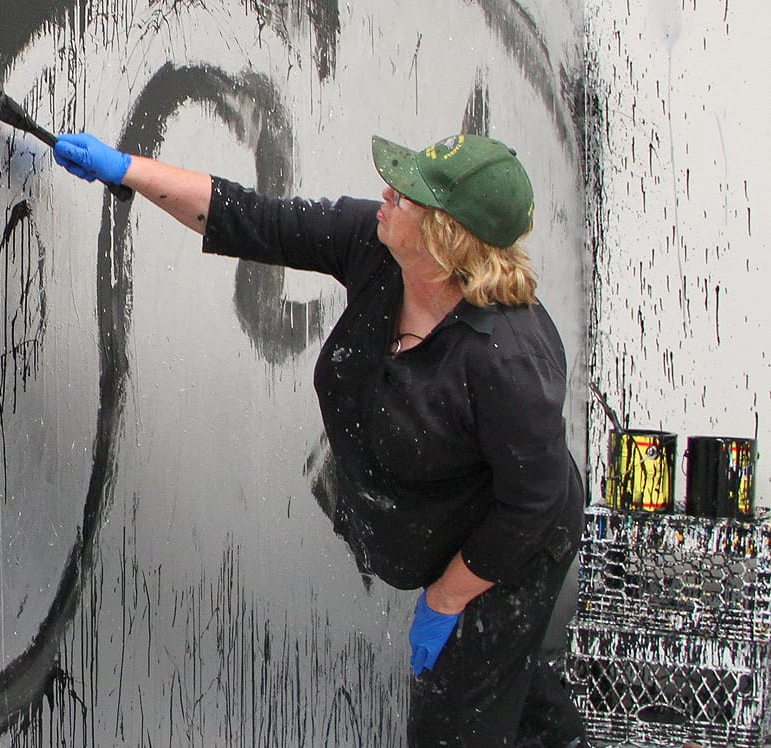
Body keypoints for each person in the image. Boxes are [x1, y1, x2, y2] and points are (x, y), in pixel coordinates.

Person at [52, 131, 587, 747]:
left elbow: (532, 505)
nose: (389, 190)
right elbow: (253, 219)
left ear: (446, 237)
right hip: (444, 514)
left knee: (456, 724)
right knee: (520, 703)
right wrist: (126, 170)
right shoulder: (380, 248)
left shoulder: (507, 357)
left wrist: (447, 597)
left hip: (509, 548)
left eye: (409, 193)